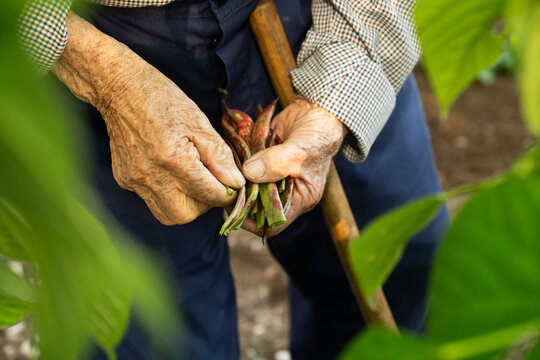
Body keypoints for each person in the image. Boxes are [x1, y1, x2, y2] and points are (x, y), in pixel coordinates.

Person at [19, 0, 449, 359]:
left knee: (401, 259)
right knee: (153, 332)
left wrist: (344, 86)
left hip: (317, 19)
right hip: (96, 37)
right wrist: (102, 74)